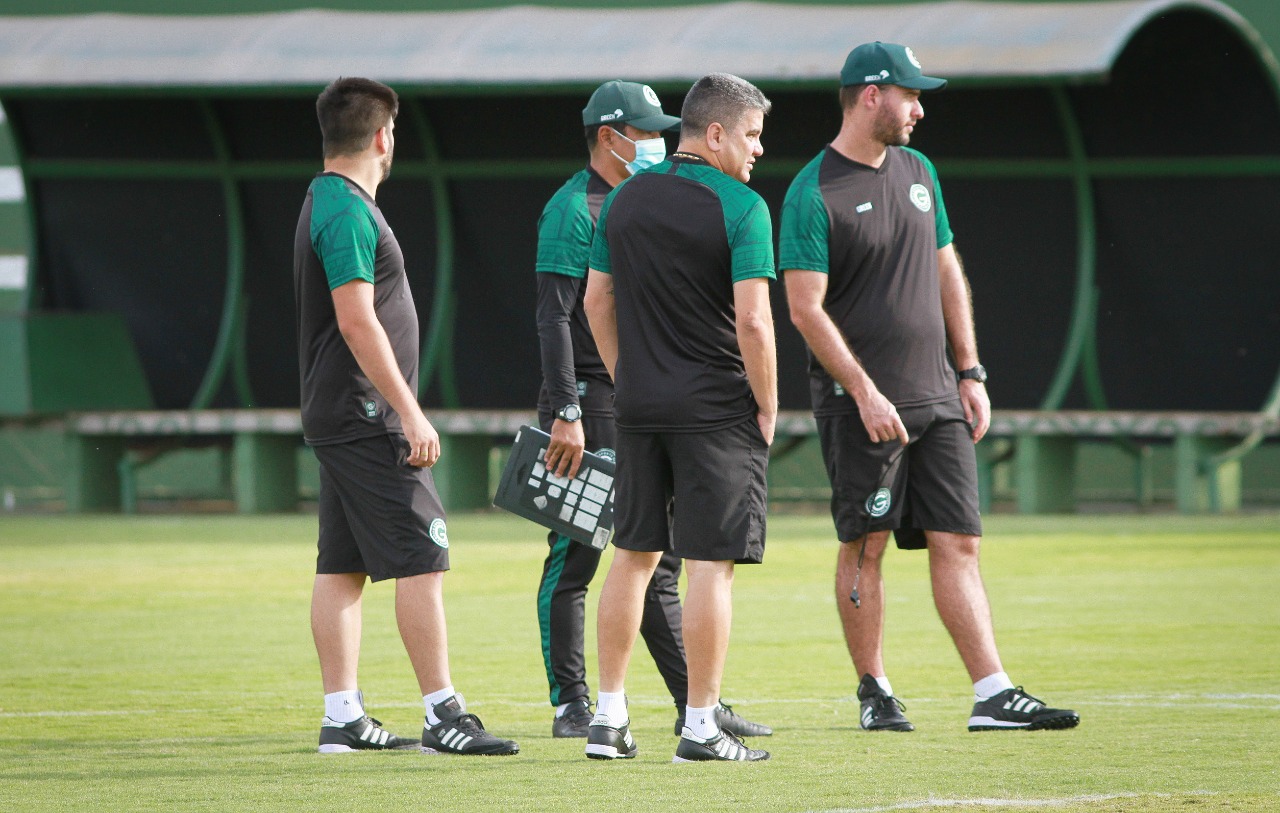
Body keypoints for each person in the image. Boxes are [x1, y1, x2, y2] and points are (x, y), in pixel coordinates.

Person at [779, 43, 1080, 733]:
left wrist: (970, 371)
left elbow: (948, 270)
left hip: (938, 393)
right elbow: (803, 308)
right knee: (867, 541)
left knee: (960, 541)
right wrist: (862, 390)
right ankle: (875, 687)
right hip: (862, 405)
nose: (920, 109)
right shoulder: (811, 190)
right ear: (870, 96)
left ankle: (993, 692)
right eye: (910, 95)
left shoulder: (919, 171)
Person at [534, 80, 771, 742]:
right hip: (598, 400)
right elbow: (556, 314)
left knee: (646, 557)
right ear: (610, 136)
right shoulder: (574, 209)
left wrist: (623, 379)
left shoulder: (631, 202)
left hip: (631, 396)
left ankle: (673, 706)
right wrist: (569, 406)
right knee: (580, 550)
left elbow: (600, 305)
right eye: (644, 130)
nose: (656, 141)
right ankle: (573, 703)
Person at [294, 76, 518, 756]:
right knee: (425, 553)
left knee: (343, 565)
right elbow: (357, 319)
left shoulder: (329, 199)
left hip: (342, 412)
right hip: (366, 415)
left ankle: (343, 715)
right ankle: (442, 712)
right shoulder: (346, 211)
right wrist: (410, 411)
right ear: (385, 137)